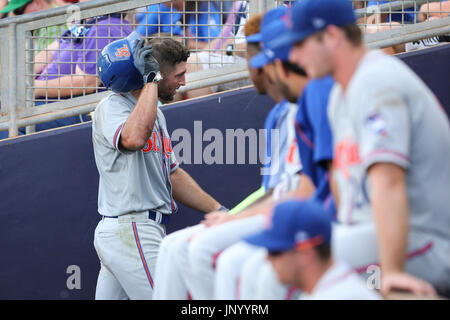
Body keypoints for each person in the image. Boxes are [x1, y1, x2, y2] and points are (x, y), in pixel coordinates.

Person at [271, 0, 450, 297]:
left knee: (292, 270)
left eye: (299, 43)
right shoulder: (342, 92)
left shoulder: (376, 80)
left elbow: (389, 184)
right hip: (379, 236)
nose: (292, 56)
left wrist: (390, 272)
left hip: (428, 242)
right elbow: (347, 195)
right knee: (269, 263)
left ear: (331, 37)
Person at [152, 7, 304, 300]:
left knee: (205, 251)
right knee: (172, 247)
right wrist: (230, 214)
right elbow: (271, 190)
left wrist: (232, 219)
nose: (246, 67)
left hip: (304, 216)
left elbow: (301, 192)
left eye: (250, 60)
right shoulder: (280, 114)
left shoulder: (313, 104)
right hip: (278, 210)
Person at [92, 32, 225, 300]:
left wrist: (219, 210)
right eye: (178, 75)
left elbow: (172, 175)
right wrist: (151, 80)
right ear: (156, 75)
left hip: (133, 231)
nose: (184, 82)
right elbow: (133, 138)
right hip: (131, 229)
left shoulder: (156, 113)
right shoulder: (112, 106)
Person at [244, 199, 382, 300]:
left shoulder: (343, 295)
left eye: (275, 252)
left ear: (306, 253)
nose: (267, 258)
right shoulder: (324, 290)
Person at [30, 0, 132, 132]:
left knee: (8, 121)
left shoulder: (103, 27)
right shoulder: (87, 24)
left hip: (80, 111)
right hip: (54, 103)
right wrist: (18, 80)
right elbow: (50, 52)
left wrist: (34, 88)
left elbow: (87, 82)